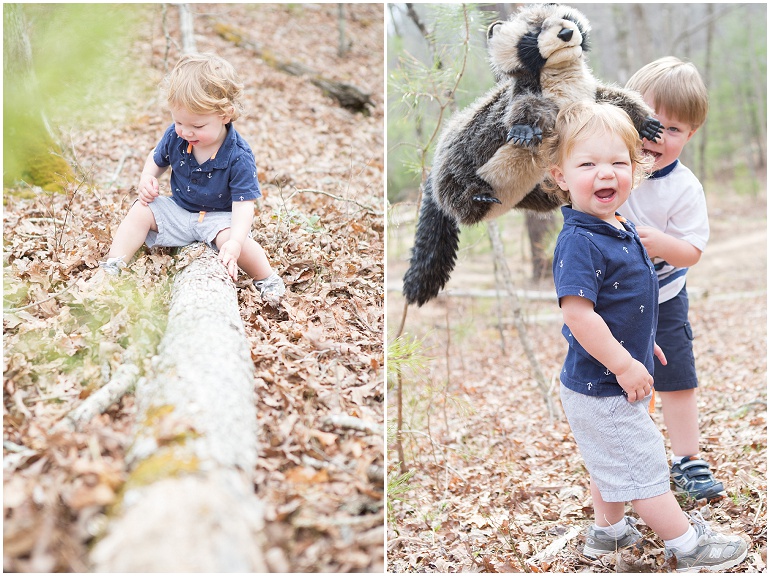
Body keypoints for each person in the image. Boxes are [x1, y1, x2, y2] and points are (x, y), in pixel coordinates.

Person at [546, 100, 746, 571]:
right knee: (643, 469)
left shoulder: (619, 227)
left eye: (618, 162)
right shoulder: (580, 240)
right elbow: (579, 316)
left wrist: (642, 340)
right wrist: (622, 362)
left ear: (635, 171)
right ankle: (686, 545)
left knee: (608, 461)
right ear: (560, 176)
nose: (605, 174)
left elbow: (626, 303)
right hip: (603, 385)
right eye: (588, 163)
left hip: (616, 374)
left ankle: (608, 534)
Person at [99, 53, 285, 303]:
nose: (186, 132)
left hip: (218, 218)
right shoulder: (176, 137)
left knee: (233, 242)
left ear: (225, 115)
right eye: (178, 122)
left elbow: (244, 205)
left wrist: (236, 242)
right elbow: (155, 159)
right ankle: (113, 263)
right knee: (140, 211)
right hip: (179, 209)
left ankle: (267, 277)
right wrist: (147, 178)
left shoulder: (238, 155)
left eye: (197, 126)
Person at [619, 57, 720, 500]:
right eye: (650, 123)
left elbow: (692, 251)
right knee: (620, 381)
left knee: (676, 379)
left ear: (690, 136)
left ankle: (688, 459)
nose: (658, 137)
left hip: (665, 297)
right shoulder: (612, 165)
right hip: (616, 302)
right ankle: (629, 459)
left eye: (674, 130)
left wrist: (659, 242)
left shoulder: (684, 187)